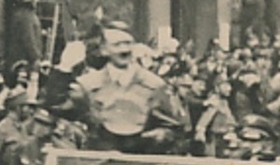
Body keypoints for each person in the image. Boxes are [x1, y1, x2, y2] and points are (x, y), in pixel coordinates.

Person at [53, 23, 189, 154]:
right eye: (117, 45)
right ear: (103, 50)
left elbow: (176, 129)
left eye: (128, 43)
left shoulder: (154, 85)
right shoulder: (88, 84)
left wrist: (160, 137)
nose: (124, 50)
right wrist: (64, 68)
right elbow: (57, 107)